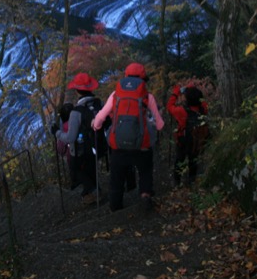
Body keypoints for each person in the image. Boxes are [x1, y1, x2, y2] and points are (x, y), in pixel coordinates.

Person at [92, 62, 164, 212]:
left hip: (119, 145)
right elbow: (160, 126)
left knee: (116, 177)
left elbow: (100, 119)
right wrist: (154, 121)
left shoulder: (115, 95)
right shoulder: (147, 96)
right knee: (145, 171)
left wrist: (96, 126)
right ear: (143, 78)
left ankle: (115, 206)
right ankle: (145, 195)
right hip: (141, 145)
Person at [52, 73, 102, 204]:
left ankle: (93, 191)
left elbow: (70, 137)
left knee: (76, 171)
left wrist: (56, 132)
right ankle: (92, 194)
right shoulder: (97, 104)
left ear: (77, 90)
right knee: (91, 170)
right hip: (97, 145)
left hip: (81, 150)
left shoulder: (76, 112)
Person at [166, 84, 210, 186]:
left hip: (183, 140)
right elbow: (201, 100)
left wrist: (175, 93)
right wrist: (194, 90)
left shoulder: (182, 111)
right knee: (193, 160)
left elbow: (170, 107)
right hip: (197, 140)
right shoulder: (203, 109)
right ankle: (192, 182)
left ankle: (177, 182)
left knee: (179, 160)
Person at [55, 102, 79, 190]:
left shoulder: (63, 130)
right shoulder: (79, 122)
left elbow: (60, 149)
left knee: (75, 176)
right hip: (86, 153)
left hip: (72, 157)